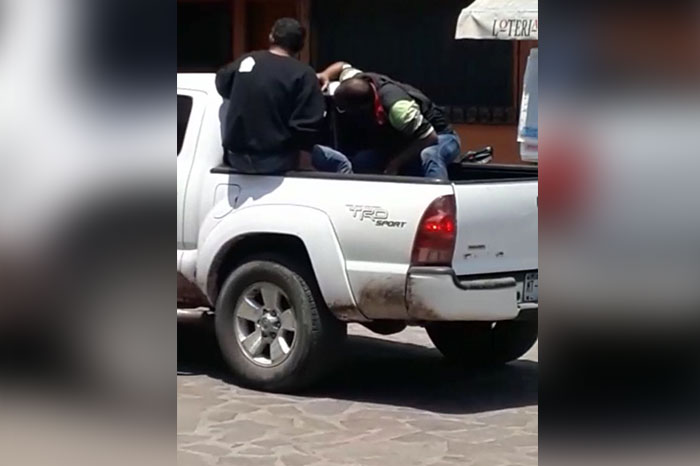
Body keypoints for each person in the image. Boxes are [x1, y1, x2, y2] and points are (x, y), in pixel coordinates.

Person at [313, 62, 461, 179]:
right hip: (402, 141)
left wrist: (395, 163)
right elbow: (341, 66)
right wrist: (325, 75)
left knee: (430, 155)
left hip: (441, 137)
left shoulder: (399, 110)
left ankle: (441, 201)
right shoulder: (355, 80)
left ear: (363, 108)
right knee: (362, 160)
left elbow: (429, 138)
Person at [215, 18, 325, 174]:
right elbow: (307, 124)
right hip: (276, 160)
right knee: (339, 161)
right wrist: (304, 162)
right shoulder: (304, 74)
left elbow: (222, 83)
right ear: (300, 45)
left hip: (236, 158)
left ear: (271, 37)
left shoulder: (248, 60)